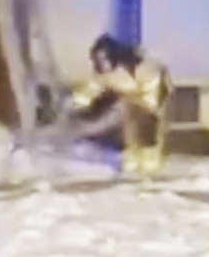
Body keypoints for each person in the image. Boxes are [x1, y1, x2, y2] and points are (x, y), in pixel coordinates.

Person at [62, 34, 171, 175]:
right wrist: (76, 103)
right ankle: (131, 160)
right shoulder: (106, 74)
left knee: (145, 125)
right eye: (98, 60)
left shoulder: (146, 68)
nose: (102, 64)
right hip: (131, 104)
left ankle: (149, 161)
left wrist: (143, 106)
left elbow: (155, 95)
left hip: (153, 100)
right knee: (126, 115)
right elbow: (92, 88)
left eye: (104, 59)